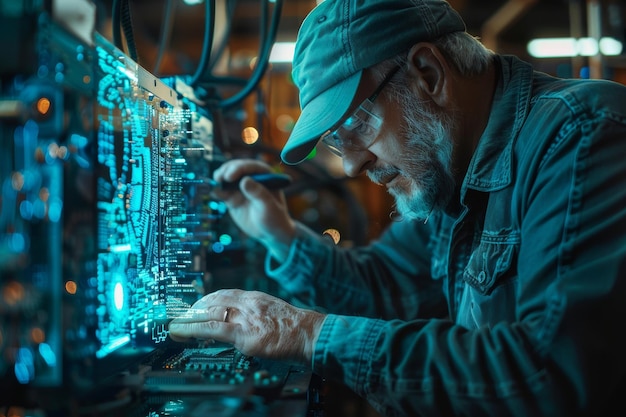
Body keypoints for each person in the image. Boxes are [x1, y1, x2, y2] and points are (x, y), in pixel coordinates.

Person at [168, 0, 626, 415]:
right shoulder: (454, 173)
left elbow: (550, 375)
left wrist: (306, 333)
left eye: (353, 124)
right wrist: (277, 233)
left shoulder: (581, 135)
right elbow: (383, 287)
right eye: (335, 140)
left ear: (428, 72)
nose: (349, 164)